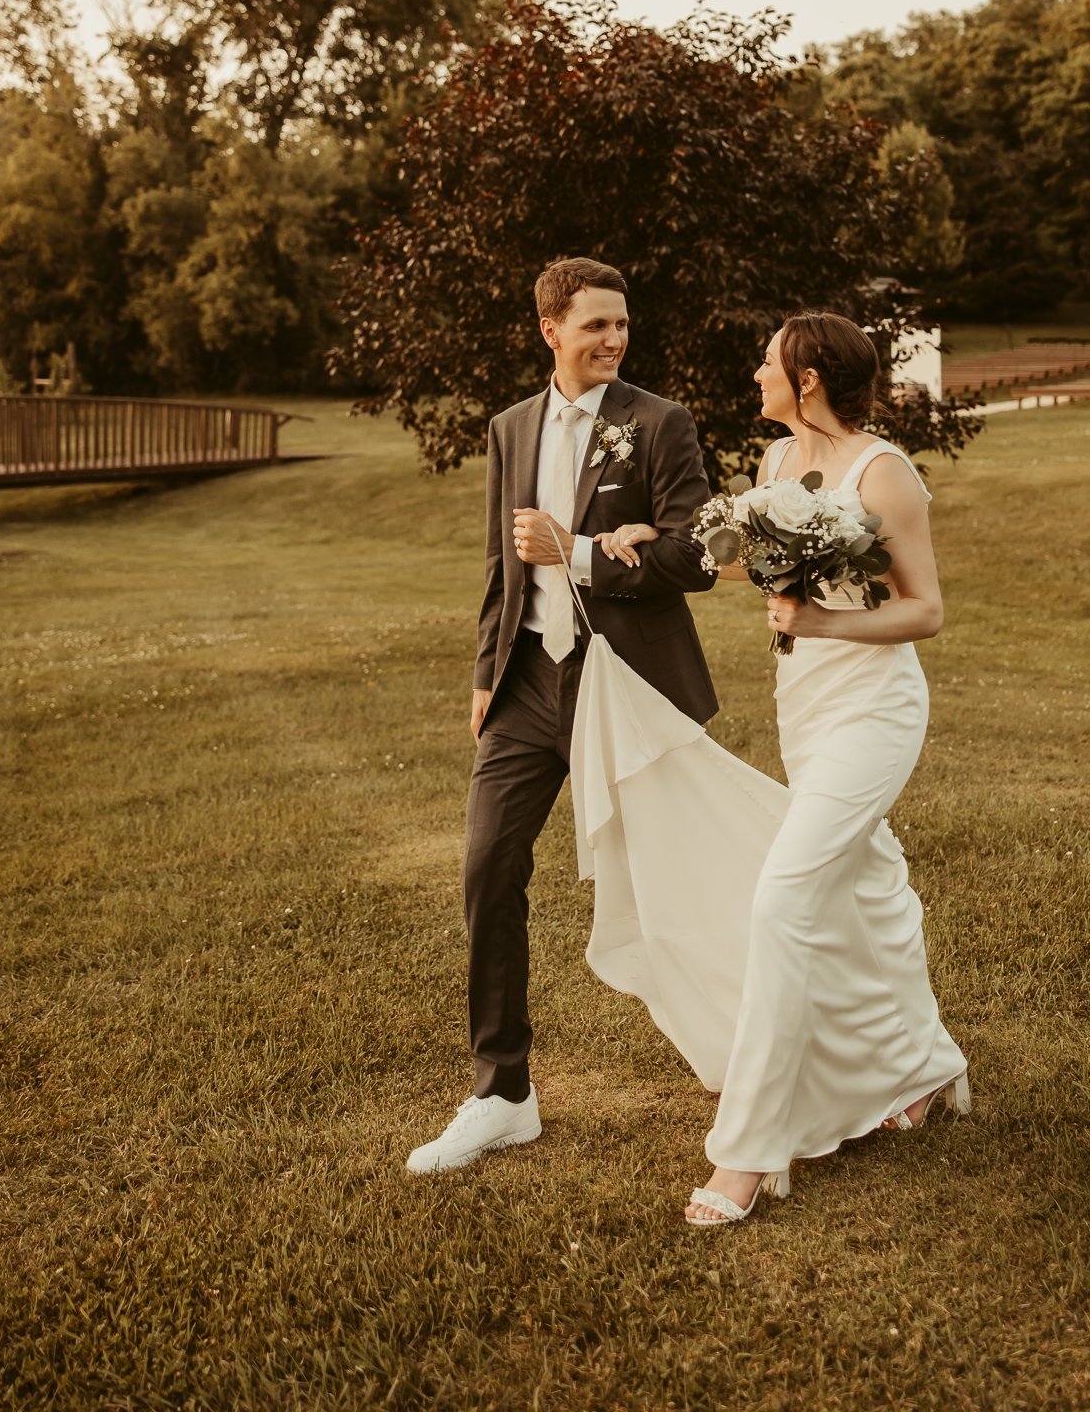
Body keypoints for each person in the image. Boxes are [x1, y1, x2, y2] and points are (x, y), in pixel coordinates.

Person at [601, 311, 968, 1226]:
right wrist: (655, 538)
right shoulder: (771, 467)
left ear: (806, 379)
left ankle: (751, 1149)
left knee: (784, 900)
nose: (754, 371)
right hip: (803, 711)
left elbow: (923, 612)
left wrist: (822, 625)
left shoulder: (882, 473)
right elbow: (756, 561)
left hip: (872, 711)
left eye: (768, 362)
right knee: (872, 884)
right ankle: (927, 1067)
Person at [405, 257, 718, 1174]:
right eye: (595, 327)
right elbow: (500, 569)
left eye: (622, 325)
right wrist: (482, 674)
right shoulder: (510, 429)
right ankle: (501, 1094)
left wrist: (579, 551)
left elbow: (699, 557)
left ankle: (745, 1050)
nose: (614, 340)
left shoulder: (657, 423)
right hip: (522, 692)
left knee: (677, 887)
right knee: (487, 872)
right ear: (551, 329)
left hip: (626, 687)